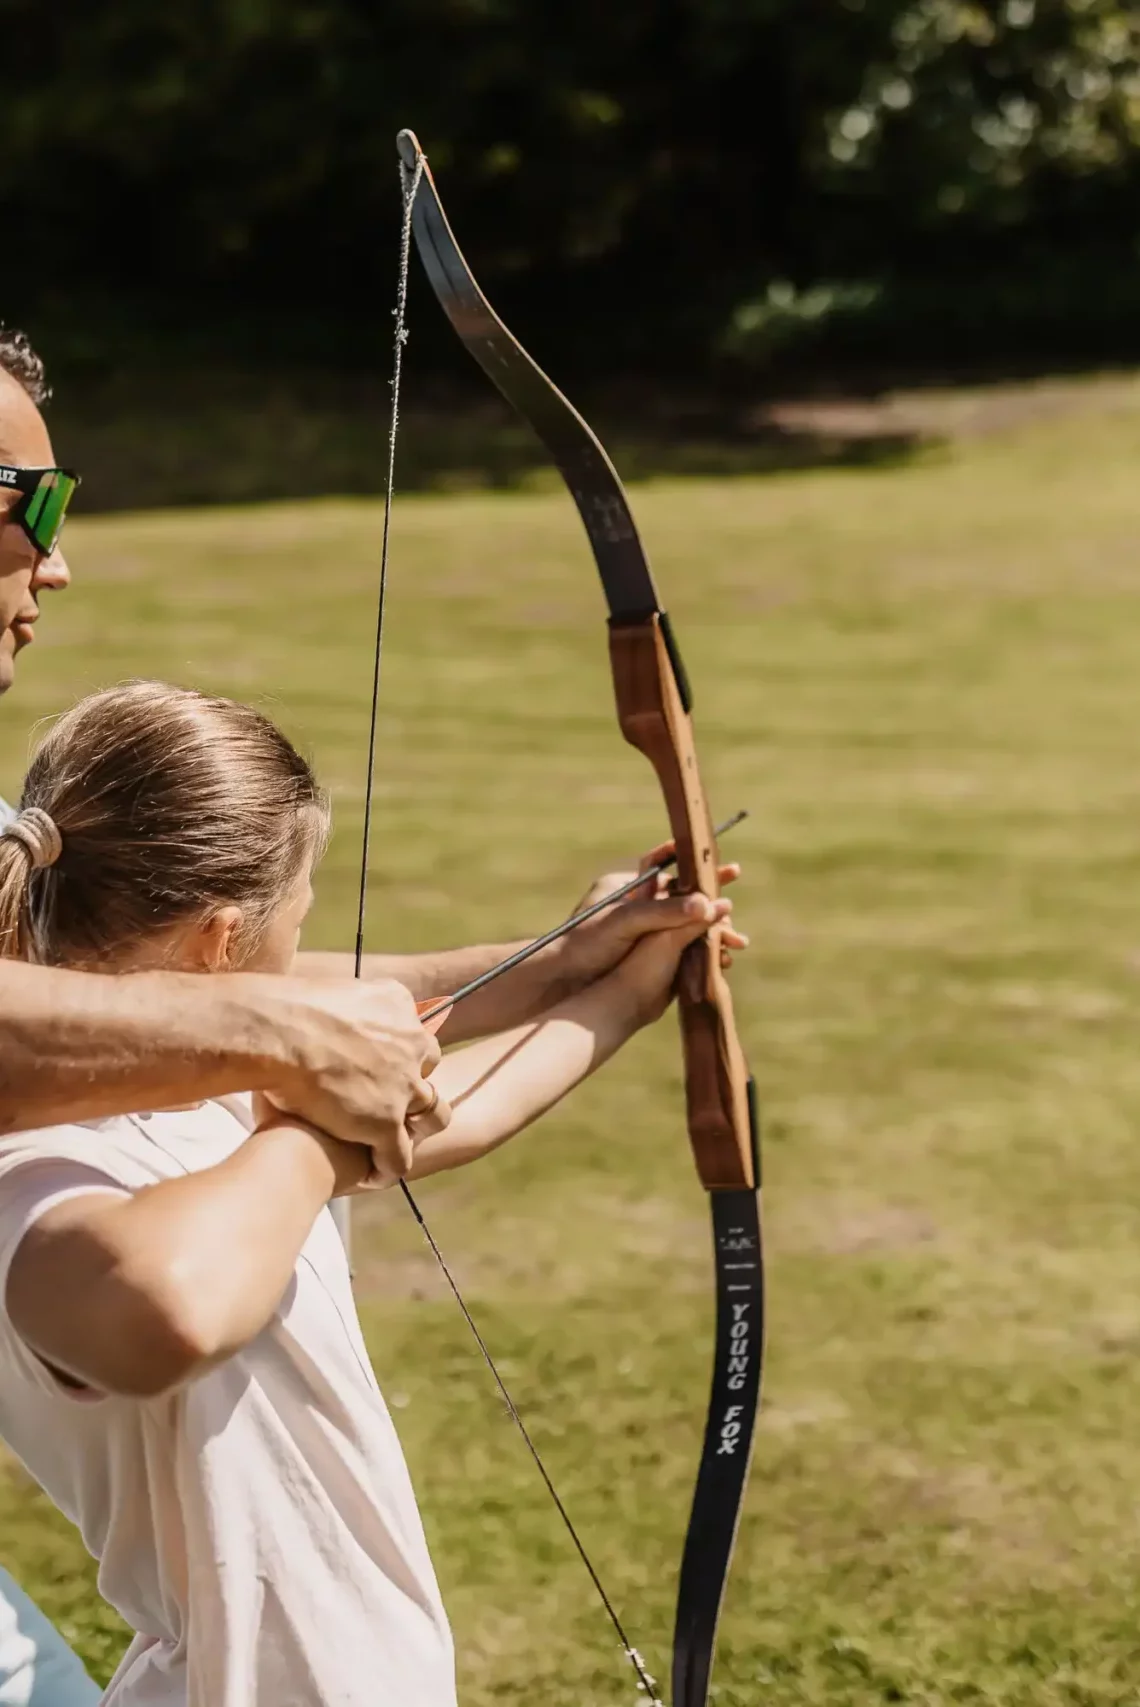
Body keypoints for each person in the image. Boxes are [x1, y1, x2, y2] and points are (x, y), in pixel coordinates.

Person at [0, 324, 744, 1699]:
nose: (55, 554)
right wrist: (330, 1123)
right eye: (26, 499)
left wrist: (619, 973)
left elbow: (427, 1088)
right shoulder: (44, 1167)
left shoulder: (196, 1078)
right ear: (224, 940)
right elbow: (169, 1293)